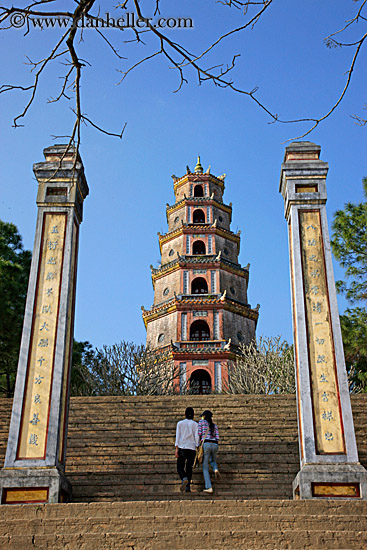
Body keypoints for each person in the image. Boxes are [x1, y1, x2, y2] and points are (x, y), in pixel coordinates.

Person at [175, 407, 199, 493]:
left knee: (180, 467)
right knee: (189, 467)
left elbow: (178, 436)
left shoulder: (180, 423)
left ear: (185, 414)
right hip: (192, 448)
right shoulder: (195, 424)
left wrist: (176, 448)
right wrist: (197, 446)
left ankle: (184, 478)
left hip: (182, 447)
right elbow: (197, 437)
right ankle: (188, 487)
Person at [198, 410, 220, 494]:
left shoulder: (201, 422)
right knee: (213, 460)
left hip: (206, 444)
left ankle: (209, 487)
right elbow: (217, 438)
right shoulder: (214, 425)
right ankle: (215, 469)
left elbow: (199, 433)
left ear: (204, 416)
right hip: (215, 444)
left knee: (205, 467)